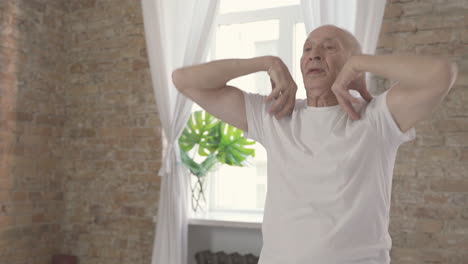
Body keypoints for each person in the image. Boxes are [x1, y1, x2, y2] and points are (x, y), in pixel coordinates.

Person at [172, 25, 458, 264]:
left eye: (329, 48)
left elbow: (441, 74)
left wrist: (361, 63)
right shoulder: (274, 116)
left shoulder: (376, 118)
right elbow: (183, 80)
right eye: (307, 49)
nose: (314, 55)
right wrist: (266, 62)